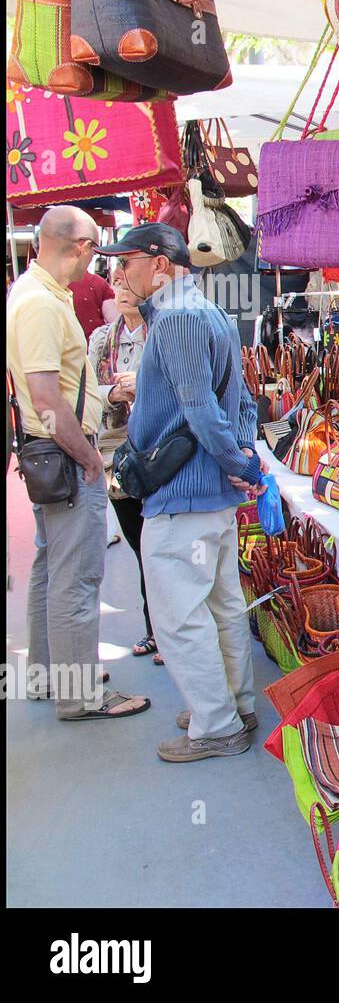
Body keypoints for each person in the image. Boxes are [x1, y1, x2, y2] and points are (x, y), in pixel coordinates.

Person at [96, 223, 266, 763]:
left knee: (180, 616)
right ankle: (230, 707)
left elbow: (202, 409)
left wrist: (237, 462)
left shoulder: (177, 319)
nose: (119, 274)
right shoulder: (204, 312)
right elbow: (236, 402)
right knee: (219, 608)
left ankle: (218, 722)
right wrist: (238, 463)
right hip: (205, 495)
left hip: (184, 495)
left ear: (160, 265)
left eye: (126, 263)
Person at [6, 206, 151, 720]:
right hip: (67, 453)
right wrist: (89, 457)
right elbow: (46, 396)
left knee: (53, 568)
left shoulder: (35, 295)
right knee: (77, 575)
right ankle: (80, 692)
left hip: (53, 453)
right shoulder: (41, 305)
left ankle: (56, 673)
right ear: (82, 248)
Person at [87, 267, 158, 662]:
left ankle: (165, 631)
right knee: (139, 545)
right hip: (120, 458)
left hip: (161, 456)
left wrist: (143, 385)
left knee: (161, 546)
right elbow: (84, 395)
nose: (123, 291)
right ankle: (156, 628)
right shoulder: (102, 340)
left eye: (129, 283)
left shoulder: (162, 333)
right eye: (116, 285)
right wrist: (113, 391)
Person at [70, 266, 119, 339]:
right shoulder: (98, 282)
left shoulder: (98, 283)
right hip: (93, 344)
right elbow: (116, 323)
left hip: (90, 345)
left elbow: (115, 322)